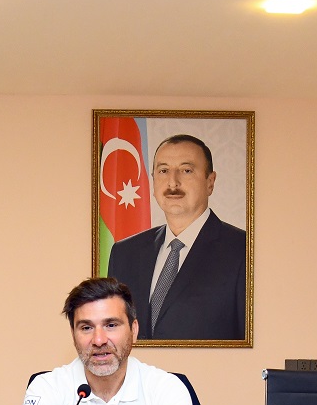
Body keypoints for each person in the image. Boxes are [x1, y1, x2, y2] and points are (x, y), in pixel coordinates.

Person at [6, 277, 206, 405]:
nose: (99, 340)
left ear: (134, 330)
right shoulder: (48, 385)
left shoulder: (165, 386)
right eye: (86, 328)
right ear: (73, 335)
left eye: (111, 325)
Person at [106, 134, 247, 341]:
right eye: (163, 171)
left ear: (210, 182)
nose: (173, 182)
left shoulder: (243, 250)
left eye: (186, 170)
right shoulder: (125, 253)